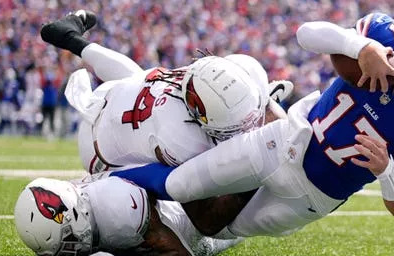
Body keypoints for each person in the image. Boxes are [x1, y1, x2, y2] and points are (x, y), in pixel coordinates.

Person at [111, 4, 394, 239]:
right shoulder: (381, 35)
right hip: (282, 141)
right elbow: (306, 35)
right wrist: (361, 48)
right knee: (180, 185)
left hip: (311, 196)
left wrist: (386, 171)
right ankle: (102, 182)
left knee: (217, 230)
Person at [40, 10, 291, 174]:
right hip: (100, 154)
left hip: (116, 94)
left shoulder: (200, 75)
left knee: (139, 76)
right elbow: (165, 184)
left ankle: (70, 37)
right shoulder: (183, 139)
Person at [13, 175, 245, 256]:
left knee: (263, 218)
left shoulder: (120, 208)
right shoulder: (78, 199)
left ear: (77, 215)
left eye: (68, 240)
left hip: (194, 228)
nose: (69, 253)